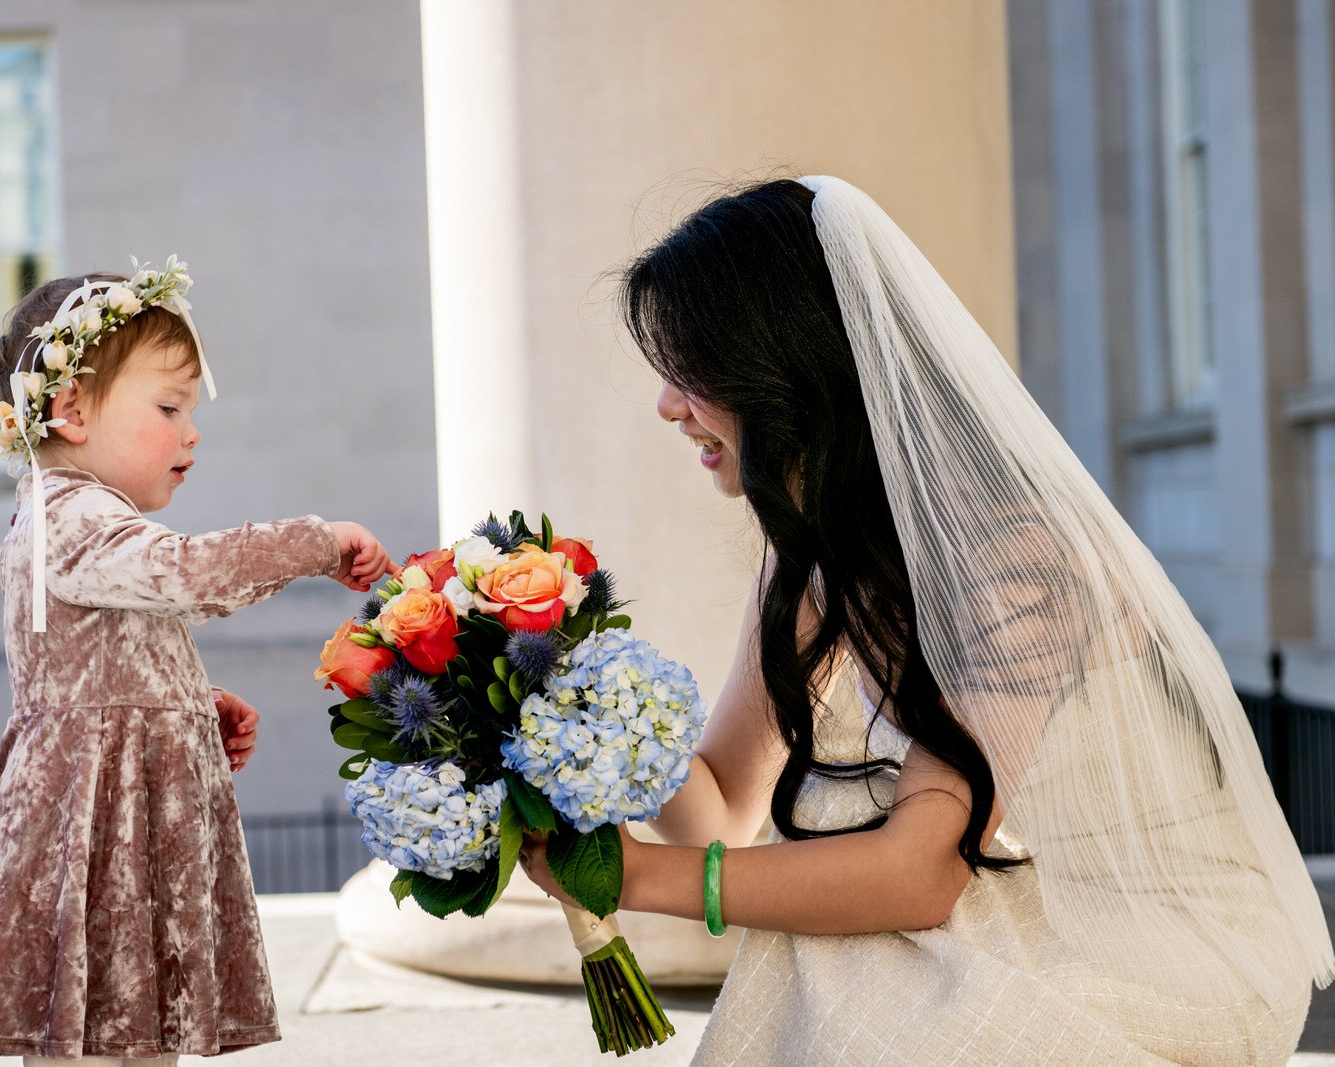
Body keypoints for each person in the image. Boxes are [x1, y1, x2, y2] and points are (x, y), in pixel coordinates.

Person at [521, 177, 1334, 1064]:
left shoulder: (1011, 554)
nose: (668, 406)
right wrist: (586, 700)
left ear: (784, 365)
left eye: (692, 370)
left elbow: (916, 875)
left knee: (847, 934)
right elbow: (720, 817)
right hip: (1027, 898)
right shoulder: (815, 550)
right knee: (822, 920)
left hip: (1165, 943)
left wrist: (632, 879)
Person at [0, 259, 395, 1065]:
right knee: (91, 1036)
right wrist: (315, 540)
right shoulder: (68, 512)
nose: (192, 431)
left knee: (129, 1030)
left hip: (118, 819)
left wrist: (188, 701)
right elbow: (183, 574)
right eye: (168, 406)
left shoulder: (81, 516)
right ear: (73, 408)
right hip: (90, 835)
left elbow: (101, 648)